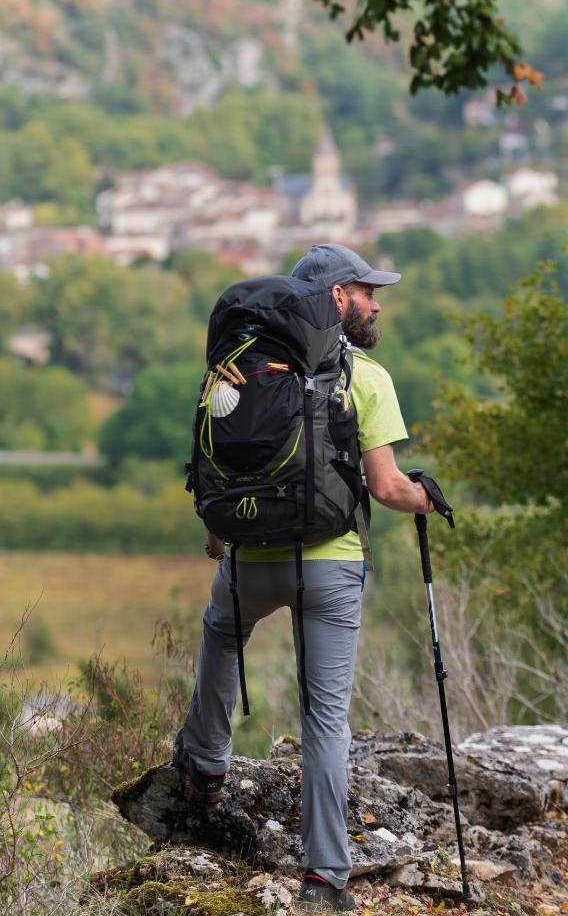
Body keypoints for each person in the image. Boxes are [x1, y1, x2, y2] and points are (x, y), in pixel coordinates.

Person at [173, 244, 433, 912]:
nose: (377, 303)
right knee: (324, 719)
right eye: (368, 291)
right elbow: (386, 487)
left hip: (249, 560)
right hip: (331, 565)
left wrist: (224, 534)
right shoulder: (365, 377)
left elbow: (217, 474)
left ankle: (205, 760)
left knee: (222, 631)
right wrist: (426, 497)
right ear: (336, 297)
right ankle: (324, 879)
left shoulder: (238, 369)